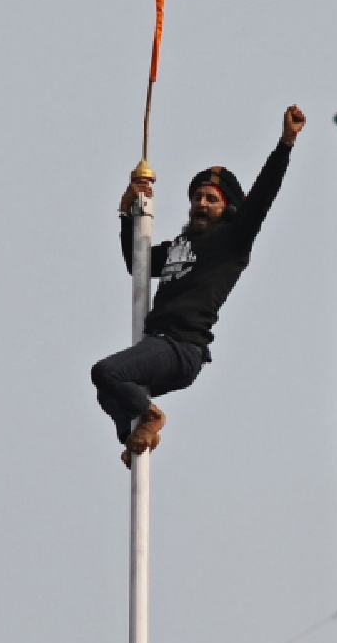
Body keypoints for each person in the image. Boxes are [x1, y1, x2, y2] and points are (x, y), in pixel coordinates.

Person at [92, 105, 306, 463]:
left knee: (106, 371)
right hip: (160, 343)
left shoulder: (231, 241)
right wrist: (127, 214)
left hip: (181, 347)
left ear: (228, 209)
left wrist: (285, 143)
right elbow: (138, 263)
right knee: (107, 391)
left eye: (211, 200)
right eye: (196, 198)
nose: (201, 204)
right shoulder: (181, 244)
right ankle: (135, 435)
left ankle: (150, 417)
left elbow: (263, 196)